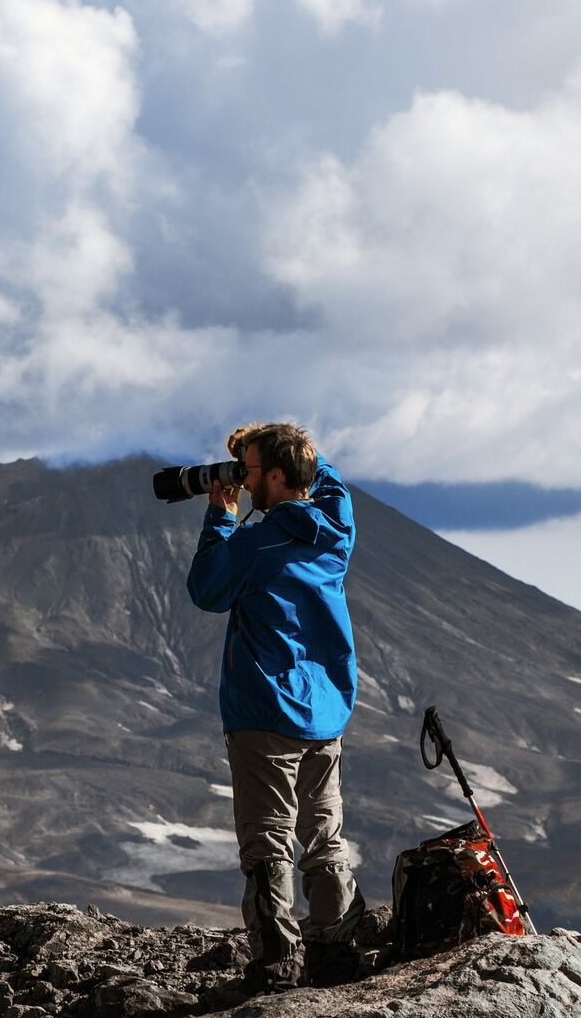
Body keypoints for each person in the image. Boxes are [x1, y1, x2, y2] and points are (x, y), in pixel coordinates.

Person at [186, 422, 365, 992]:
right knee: (325, 837)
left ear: (280, 476)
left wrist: (220, 514)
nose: (245, 478)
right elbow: (329, 482)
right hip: (327, 712)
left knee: (268, 844)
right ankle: (336, 956)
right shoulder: (336, 530)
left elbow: (207, 590)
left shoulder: (258, 543)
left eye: (254, 469)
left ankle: (278, 968)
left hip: (266, 712)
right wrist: (280, 444)